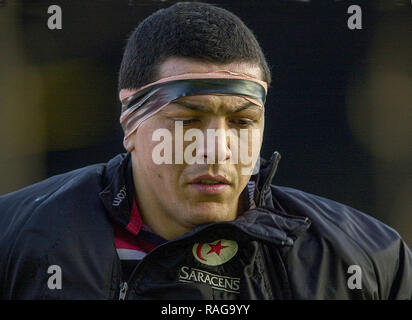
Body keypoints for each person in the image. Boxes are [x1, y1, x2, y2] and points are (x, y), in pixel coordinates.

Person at [0, 2, 411, 300]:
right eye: (188, 120)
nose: (216, 150)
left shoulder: (368, 260)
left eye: (241, 122)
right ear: (130, 123)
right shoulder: (16, 240)